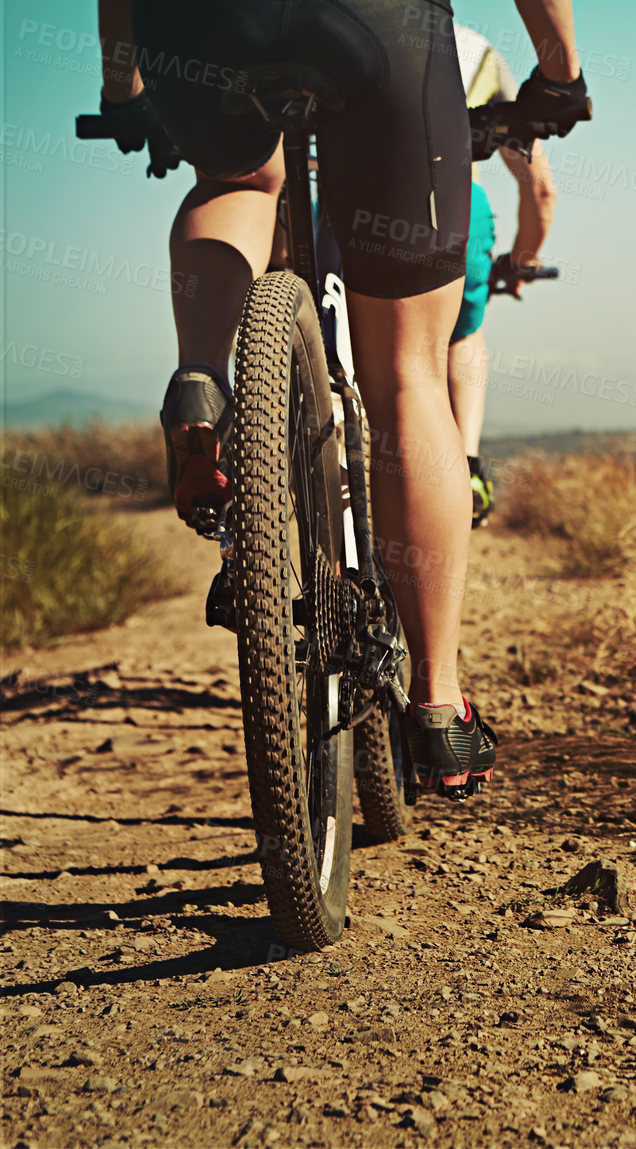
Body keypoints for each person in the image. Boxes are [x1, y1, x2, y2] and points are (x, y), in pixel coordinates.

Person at [91, 0, 590, 795]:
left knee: (240, 178)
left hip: (198, 23)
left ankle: (199, 378)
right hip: (375, 20)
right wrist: (560, 74)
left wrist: (124, 89)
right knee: (407, 377)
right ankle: (436, 703)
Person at [449, 22, 561, 529]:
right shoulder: (475, 51)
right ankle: (467, 468)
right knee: (461, 336)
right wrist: (521, 261)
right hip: (445, 217)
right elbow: (540, 190)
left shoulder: (290, 22)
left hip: (307, 209)